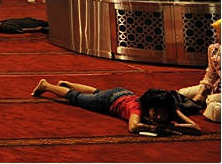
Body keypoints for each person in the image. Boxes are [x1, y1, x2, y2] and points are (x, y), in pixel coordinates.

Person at [31, 81, 201, 135]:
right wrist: (159, 128)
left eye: (163, 113)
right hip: (110, 101)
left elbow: (196, 129)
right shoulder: (138, 108)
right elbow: (133, 127)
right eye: (155, 112)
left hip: (122, 93)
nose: (158, 116)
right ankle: (47, 85)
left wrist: (170, 125)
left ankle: (66, 84)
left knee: (96, 92)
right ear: (148, 107)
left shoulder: (169, 108)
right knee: (76, 98)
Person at [178, 18, 220, 122]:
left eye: (218, 32)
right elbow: (211, 76)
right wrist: (201, 93)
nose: (215, 35)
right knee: (181, 95)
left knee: (215, 109)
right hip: (215, 87)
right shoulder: (213, 49)